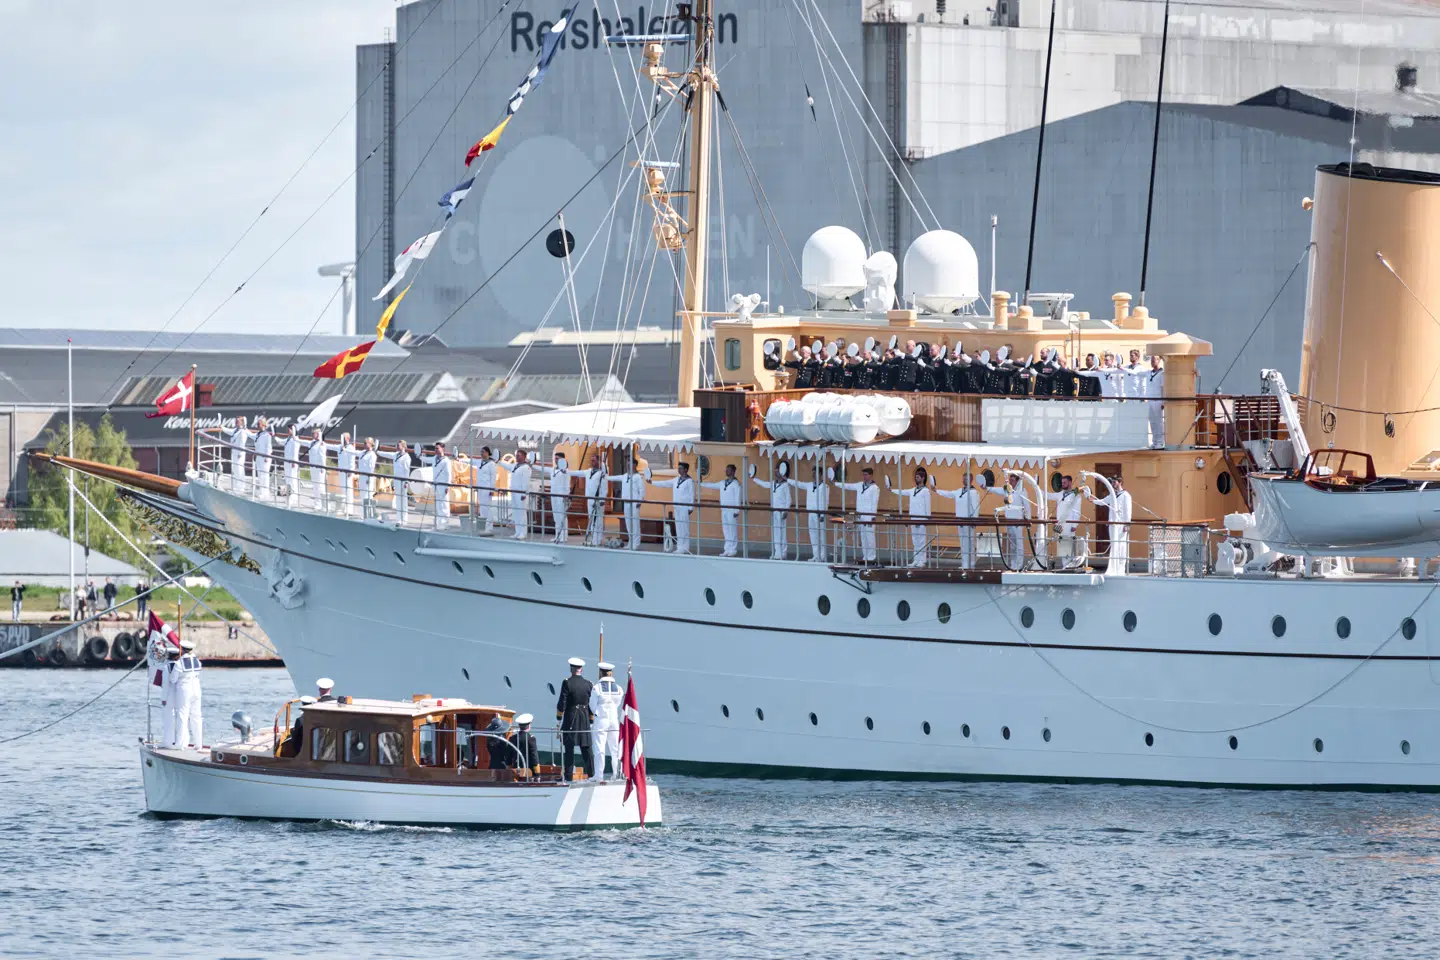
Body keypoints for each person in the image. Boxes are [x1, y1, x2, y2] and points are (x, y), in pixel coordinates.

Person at [936, 471, 986, 569]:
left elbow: (976, 507)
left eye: (966, 478)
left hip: (969, 521)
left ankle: (970, 563)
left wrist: (974, 520)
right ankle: (964, 562)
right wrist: (936, 490)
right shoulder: (959, 491)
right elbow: (948, 494)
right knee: (963, 543)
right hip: (960, 521)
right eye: (963, 478)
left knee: (969, 543)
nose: (964, 480)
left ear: (971, 480)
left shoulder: (974, 492)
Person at [1085, 476, 1134, 576]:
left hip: (1121, 526)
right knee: (1114, 545)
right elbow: (1102, 501)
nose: (1113, 484)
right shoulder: (1112, 495)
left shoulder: (1126, 496)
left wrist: (1127, 524)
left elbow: (1128, 512)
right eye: (1112, 482)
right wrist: (1090, 499)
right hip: (1112, 525)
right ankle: (1113, 568)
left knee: (1121, 546)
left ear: (1120, 482)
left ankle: (1121, 569)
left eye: (1114, 482)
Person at [556, 657, 593, 781]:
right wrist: (591, 720)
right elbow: (591, 704)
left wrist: (558, 719)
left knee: (569, 748)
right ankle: (592, 775)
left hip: (571, 717)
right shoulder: (589, 683)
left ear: (571, 668)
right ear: (581, 669)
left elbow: (562, 703)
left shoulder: (567, 682)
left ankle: (568, 776)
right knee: (587, 748)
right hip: (585, 718)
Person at [835, 467, 881, 564]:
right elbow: (847, 486)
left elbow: (875, 502)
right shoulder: (859, 485)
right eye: (863, 474)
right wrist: (835, 483)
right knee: (863, 536)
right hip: (860, 515)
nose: (864, 476)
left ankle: (872, 556)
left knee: (870, 536)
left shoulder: (875, 488)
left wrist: (873, 516)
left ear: (871, 475)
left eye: (866, 474)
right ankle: (865, 555)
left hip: (869, 515)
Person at [650, 460, 697, 554]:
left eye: (680, 468)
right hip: (677, 507)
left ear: (686, 470)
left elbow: (692, 495)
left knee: (684, 528)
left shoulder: (689, 481)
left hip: (685, 507)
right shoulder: (676, 479)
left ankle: (685, 547)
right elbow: (665, 483)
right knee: (678, 527)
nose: (678, 470)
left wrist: (691, 508)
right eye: (678, 468)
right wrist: (652, 482)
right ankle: (680, 547)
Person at [787, 463, 830, 562]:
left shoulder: (825, 487)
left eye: (815, 473)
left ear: (820, 474)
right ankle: (816, 555)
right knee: (813, 535)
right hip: (811, 513)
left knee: (821, 536)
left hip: (820, 514)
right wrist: (787, 479)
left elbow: (825, 501)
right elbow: (799, 484)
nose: (813, 475)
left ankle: (822, 556)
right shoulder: (809, 485)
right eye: (813, 473)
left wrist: (823, 514)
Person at [589, 662, 623, 781]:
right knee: (615, 748)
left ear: (600, 673)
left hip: (601, 720)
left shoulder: (597, 688)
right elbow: (618, 704)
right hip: (614, 720)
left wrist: (598, 712)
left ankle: (599, 775)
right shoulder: (619, 688)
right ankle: (616, 774)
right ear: (611, 673)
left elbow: (592, 705)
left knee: (600, 748)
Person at [166, 638, 203, 750]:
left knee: (182, 716)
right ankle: (198, 744)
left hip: (184, 690)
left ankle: (180, 744)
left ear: (182, 649)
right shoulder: (197, 660)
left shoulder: (179, 663)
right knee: (196, 716)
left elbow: (173, 679)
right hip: (196, 689)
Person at [894, 467, 934, 567]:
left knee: (921, 540)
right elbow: (902, 492)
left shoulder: (925, 491)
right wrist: (891, 490)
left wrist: (927, 518)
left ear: (922, 478)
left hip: (921, 519)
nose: (916, 479)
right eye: (915, 477)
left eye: (918, 477)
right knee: (915, 540)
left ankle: (922, 560)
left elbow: (927, 505)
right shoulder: (912, 490)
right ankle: (916, 559)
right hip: (913, 518)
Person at [701, 464, 744, 557]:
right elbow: (712, 485)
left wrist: (737, 510)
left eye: (728, 470)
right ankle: (727, 549)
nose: (726, 471)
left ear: (733, 471)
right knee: (726, 530)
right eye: (726, 470)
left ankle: (733, 549)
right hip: (724, 509)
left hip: (732, 510)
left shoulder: (736, 484)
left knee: (732, 530)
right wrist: (701, 483)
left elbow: (738, 497)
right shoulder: (722, 482)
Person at [752, 462, 792, 560]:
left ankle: (783, 553)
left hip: (781, 511)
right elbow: (764, 484)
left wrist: (786, 511)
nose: (776, 471)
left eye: (777, 469)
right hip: (774, 511)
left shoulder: (785, 485)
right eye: (775, 469)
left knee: (782, 533)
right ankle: (777, 552)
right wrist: (754, 478)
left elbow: (789, 499)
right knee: (776, 532)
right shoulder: (773, 483)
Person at [606, 456, 647, 550]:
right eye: (627, 463)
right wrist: (606, 477)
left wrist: (640, 500)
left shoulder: (638, 477)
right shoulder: (625, 476)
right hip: (626, 502)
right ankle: (631, 542)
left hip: (634, 502)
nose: (628, 465)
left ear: (635, 465)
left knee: (635, 523)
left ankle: (636, 543)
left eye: (630, 463)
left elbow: (642, 490)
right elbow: (615, 477)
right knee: (628, 523)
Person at [1047, 475, 1087, 570]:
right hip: (1061, 524)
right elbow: (1048, 495)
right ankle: (1065, 565)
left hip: (1069, 524)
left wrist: (1074, 525)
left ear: (1070, 482)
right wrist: (1036, 487)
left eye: (1064, 482)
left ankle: (1070, 564)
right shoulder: (1059, 494)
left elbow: (1077, 511)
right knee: (1062, 543)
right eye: (1062, 482)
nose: (1063, 484)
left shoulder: (1076, 495)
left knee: (1069, 543)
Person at [998, 472, 1034, 570]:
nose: (1011, 482)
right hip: (1009, 521)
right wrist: (987, 488)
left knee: (1019, 543)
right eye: (1010, 480)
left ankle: (1019, 564)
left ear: (1017, 481)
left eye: (1012, 480)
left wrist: (1028, 519)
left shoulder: (1022, 491)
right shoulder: (1007, 490)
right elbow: (998, 490)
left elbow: (1027, 506)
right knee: (1012, 544)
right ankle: (1013, 564)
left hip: (1018, 521)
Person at [499, 449, 535, 540]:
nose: (517, 457)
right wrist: (498, 462)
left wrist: (524, 493)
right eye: (516, 455)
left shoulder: (526, 468)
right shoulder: (515, 465)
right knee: (516, 513)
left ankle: (523, 532)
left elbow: (526, 481)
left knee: (521, 513)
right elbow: (507, 466)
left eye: (519, 455)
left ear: (524, 456)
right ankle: (518, 531)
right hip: (514, 492)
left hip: (521, 493)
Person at [419, 441, 453, 528]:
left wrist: (448, 485)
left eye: (437, 448)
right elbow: (427, 459)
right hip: (436, 485)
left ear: (442, 449)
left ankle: (445, 524)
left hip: (443, 485)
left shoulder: (446, 461)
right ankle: (439, 523)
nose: (436, 450)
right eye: (435, 448)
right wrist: (419, 456)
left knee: (444, 504)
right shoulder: (434, 458)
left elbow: (449, 474)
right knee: (438, 504)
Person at [381, 440, 413, 525]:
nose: (397, 447)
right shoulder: (395, 455)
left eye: (398, 446)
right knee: (398, 500)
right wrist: (377, 451)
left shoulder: (406, 457)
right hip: (397, 480)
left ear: (403, 447)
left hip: (403, 481)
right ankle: (399, 518)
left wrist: (406, 482)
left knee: (403, 500)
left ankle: (404, 519)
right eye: (397, 445)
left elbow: (407, 471)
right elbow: (386, 454)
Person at [222, 416, 253, 494]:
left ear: (241, 423)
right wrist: (222, 427)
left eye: (237, 421)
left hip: (240, 453)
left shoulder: (242, 431)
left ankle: (241, 487)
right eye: (235, 421)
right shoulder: (236, 430)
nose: (235, 423)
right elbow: (229, 431)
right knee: (235, 469)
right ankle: (236, 486)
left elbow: (242, 443)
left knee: (239, 469)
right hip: (234, 451)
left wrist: (239, 453)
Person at [306, 428, 331, 509]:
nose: (313, 434)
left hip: (319, 468)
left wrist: (323, 468)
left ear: (319, 434)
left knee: (320, 487)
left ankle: (323, 504)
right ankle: (317, 503)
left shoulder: (322, 444)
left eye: (315, 433)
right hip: (313, 467)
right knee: (315, 486)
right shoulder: (312, 443)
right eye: (312, 433)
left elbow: (322, 457)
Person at [334, 432, 358, 517]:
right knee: (343, 490)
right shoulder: (340, 447)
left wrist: (351, 470)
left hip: (347, 472)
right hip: (341, 471)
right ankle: (344, 507)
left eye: (343, 438)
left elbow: (352, 460)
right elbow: (330, 446)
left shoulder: (351, 448)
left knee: (348, 491)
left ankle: (349, 509)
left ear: (347, 438)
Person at [1144, 355, 1165, 448]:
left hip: (1158, 399)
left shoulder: (1162, 373)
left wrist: (1163, 400)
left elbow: (1163, 387)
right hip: (1150, 399)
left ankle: (1160, 441)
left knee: (1158, 421)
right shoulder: (1149, 373)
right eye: (1151, 361)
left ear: (1158, 361)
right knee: (1152, 421)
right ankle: (1155, 441)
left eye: (1154, 360)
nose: (1152, 362)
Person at [281, 425, 304, 506]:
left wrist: (294, 462)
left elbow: (295, 451)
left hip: (292, 463)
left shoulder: (296, 439)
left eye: (289, 430)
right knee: (288, 479)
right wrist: (274, 436)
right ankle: (289, 495)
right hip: (287, 462)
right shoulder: (288, 439)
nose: (288, 431)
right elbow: (281, 441)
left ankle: (294, 497)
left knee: (293, 479)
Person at [252, 417, 275, 499]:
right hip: (258, 456)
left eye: (259, 424)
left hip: (265, 457)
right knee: (260, 475)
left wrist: (267, 456)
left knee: (265, 475)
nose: (258, 425)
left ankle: (265, 493)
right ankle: (262, 491)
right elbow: (252, 437)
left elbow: (269, 447)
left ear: (263, 424)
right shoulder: (258, 434)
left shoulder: (267, 435)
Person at [357, 437, 379, 517]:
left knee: (368, 496)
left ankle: (369, 514)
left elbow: (371, 468)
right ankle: (364, 514)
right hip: (362, 476)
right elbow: (354, 452)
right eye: (364, 443)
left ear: (371, 444)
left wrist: (369, 478)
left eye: (366, 443)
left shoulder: (372, 455)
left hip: (367, 477)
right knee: (362, 495)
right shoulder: (363, 452)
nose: (364, 444)